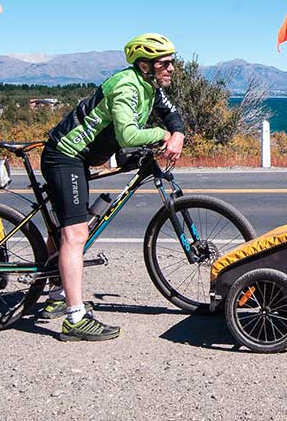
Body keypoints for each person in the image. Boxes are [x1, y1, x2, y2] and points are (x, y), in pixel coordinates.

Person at [39, 33, 186, 340]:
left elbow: (170, 111)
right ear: (145, 65)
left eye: (173, 62)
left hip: (78, 159)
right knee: (75, 233)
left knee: (64, 227)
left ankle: (56, 293)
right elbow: (128, 135)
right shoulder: (126, 86)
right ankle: (75, 318)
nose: (172, 68)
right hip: (65, 157)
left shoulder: (149, 86)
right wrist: (161, 135)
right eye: (165, 63)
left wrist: (178, 134)